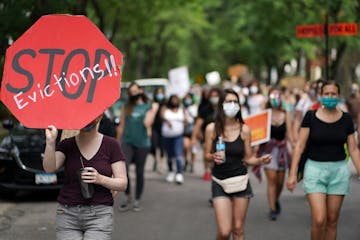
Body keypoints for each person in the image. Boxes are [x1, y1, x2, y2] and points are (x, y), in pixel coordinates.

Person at [287, 81, 360, 240]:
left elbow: (353, 149)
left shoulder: (346, 120)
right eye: (326, 94)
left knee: (332, 221)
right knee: (319, 220)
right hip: (315, 170)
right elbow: (299, 146)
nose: (329, 97)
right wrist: (292, 174)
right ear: (320, 96)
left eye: (333, 94)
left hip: (339, 172)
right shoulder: (310, 117)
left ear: (338, 96)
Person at [43, 115, 127, 240]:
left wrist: (100, 179)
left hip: (100, 214)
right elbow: (49, 168)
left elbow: (122, 183)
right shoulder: (67, 144)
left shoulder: (111, 145)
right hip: (67, 213)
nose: (87, 120)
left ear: (99, 117)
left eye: (92, 116)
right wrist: (50, 143)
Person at [204, 89, 271, 240]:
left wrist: (260, 160)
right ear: (221, 105)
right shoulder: (211, 129)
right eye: (228, 102)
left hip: (240, 181)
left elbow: (248, 158)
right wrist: (212, 156)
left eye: (235, 102)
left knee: (238, 229)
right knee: (224, 231)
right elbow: (206, 155)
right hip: (219, 182)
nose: (232, 105)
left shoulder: (245, 129)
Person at [117, 82, 159, 211]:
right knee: (124, 167)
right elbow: (121, 125)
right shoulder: (126, 107)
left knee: (139, 171)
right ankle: (128, 195)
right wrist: (117, 143)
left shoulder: (148, 106)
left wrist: (153, 110)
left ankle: (137, 199)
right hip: (127, 141)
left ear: (140, 91)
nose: (133, 94)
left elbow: (147, 124)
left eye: (135, 91)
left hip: (142, 143)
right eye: (131, 92)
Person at [259, 87, 294, 221]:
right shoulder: (265, 113)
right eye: (272, 95)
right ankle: (272, 208)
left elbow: (290, 133)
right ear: (268, 97)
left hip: (282, 150)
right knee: (272, 180)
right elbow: (259, 132)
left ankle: (276, 199)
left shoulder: (286, 113)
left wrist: (296, 147)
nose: (275, 98)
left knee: (280, 182)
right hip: (268, 150)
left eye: (278, 95)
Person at [192, 87, 222, 181]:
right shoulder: (205, 109)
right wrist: (194, 137)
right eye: (212, 96)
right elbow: (198, 124)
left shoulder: (223, 109)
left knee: (219, 153)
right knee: (207, 152)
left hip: (221, 136)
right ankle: (207, 171)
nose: (214, 97)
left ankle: (216, 170)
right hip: (207, 136)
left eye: (216, 96)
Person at [161, 94, 188, 184]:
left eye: (176, 100)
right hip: (167, 136)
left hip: (178, 136)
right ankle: (171, 171)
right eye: (173, 100)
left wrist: (183, 126)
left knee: (178, 155)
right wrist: (167, 121)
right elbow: (161, 116)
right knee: (169, 155)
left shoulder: (182, 109)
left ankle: (179, 173)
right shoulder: (165, 109)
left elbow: (186, 120)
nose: (174, 102)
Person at [150, 87, 167, 172]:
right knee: (153, 145)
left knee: (162, 146)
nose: (160, 95)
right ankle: (155, 160)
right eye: (158, 93)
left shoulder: (166, 104)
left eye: (161, 93)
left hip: (163, 127)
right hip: (154, 127)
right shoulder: (153, 104)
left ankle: (161, 164)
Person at [182, 92, 198, 173]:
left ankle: (192, 163)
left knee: (193, 149)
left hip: (193, 130)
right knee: (185, 146)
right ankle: (185, 161)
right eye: (186, 98)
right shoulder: (182, 108)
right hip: (185, 130)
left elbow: (197, 119)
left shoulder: (194, 108)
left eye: (189, 98)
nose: (187, 100)